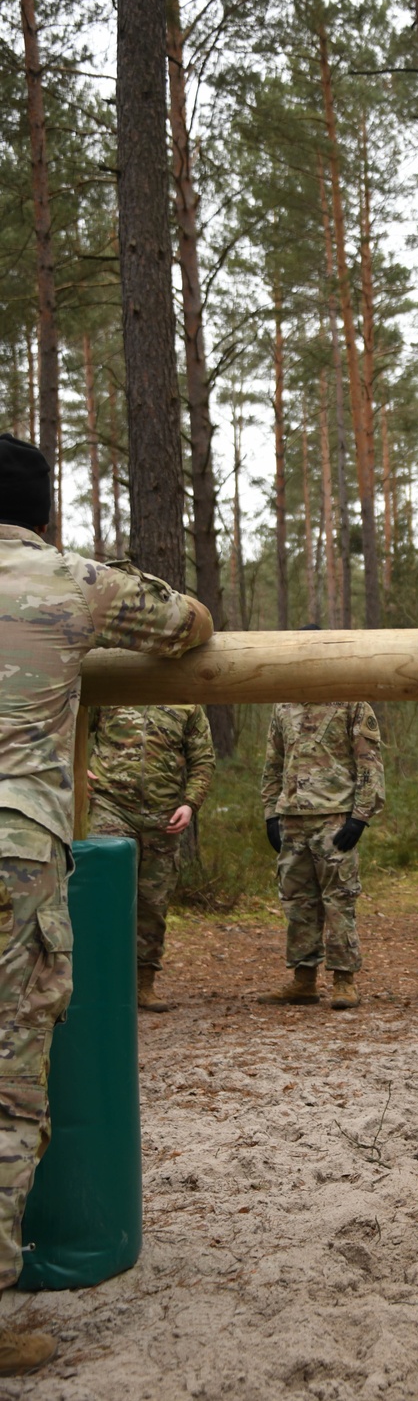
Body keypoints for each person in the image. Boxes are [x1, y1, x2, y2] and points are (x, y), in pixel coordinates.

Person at [0, 434, 212, 1375]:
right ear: (42, 511)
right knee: (6, 1084)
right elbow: (189, 626)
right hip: (10, 848)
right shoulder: (66, 579)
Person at [258, 698, 384, 1009]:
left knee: (339, 899)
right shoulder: (283, 705)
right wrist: (271, 812)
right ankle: (304, 981)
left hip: (335, 816)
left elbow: (369, 761)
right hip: (291, 817)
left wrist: (360, 817)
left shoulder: (351, 703)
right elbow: (274, 761)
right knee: (298, 901)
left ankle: (344, 981)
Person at [88, 704, 216, 1011]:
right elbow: (68, 728)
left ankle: (143, 985)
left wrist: (190, 803)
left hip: (164, 816)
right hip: (111, 807)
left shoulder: (185, 701)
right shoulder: (111, 686)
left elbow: (203, 760)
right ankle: (100, 983)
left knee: (152, 903)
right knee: (103, 897)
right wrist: (75, 769)